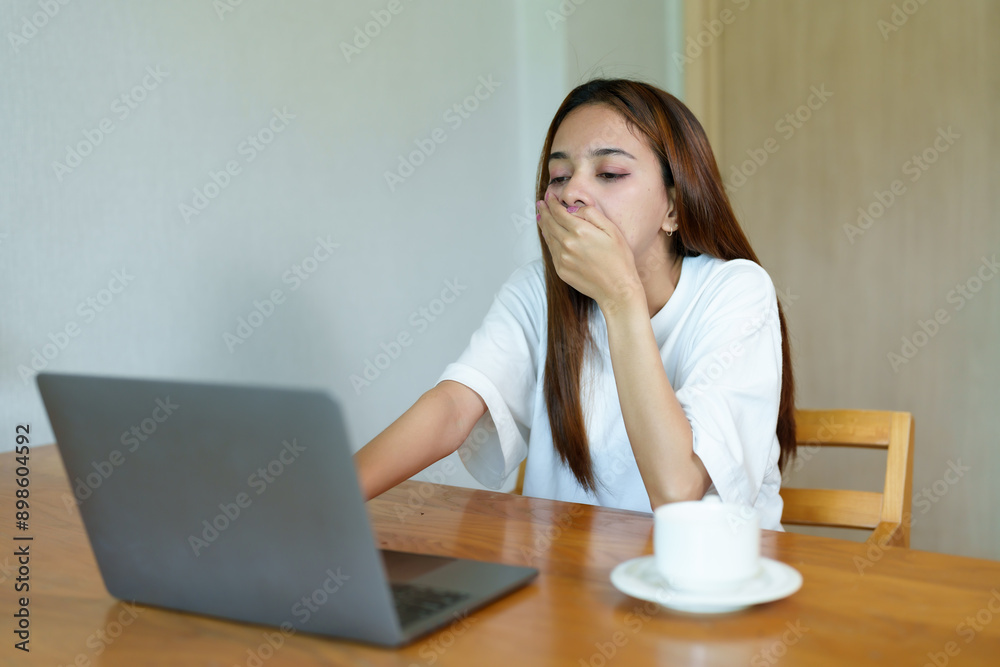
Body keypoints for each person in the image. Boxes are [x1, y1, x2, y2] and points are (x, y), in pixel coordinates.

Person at [354, 78, 796, 530]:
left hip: (706, 589)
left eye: (609, 174)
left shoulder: (738, 291)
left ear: (674, 208)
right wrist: (326, 497)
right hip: (566, 583)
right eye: (560, 177)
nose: (571, 194)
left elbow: (677, 490)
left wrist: (620, 296)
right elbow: (451, 410)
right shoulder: (536, 291)